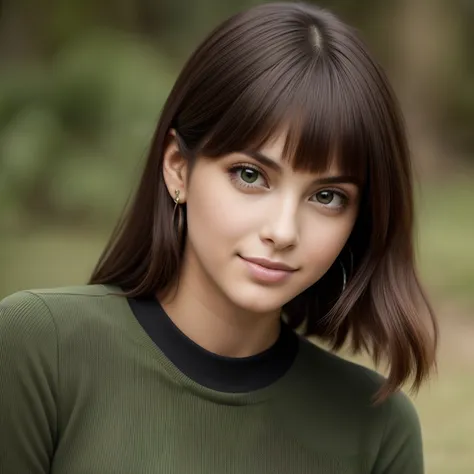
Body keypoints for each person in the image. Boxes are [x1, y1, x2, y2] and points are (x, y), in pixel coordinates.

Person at [0, 2, 438, 473]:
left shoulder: (374, 428)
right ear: (178, 168)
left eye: (327, 196)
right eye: (250, 175)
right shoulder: (39, 348)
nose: (283, 231)